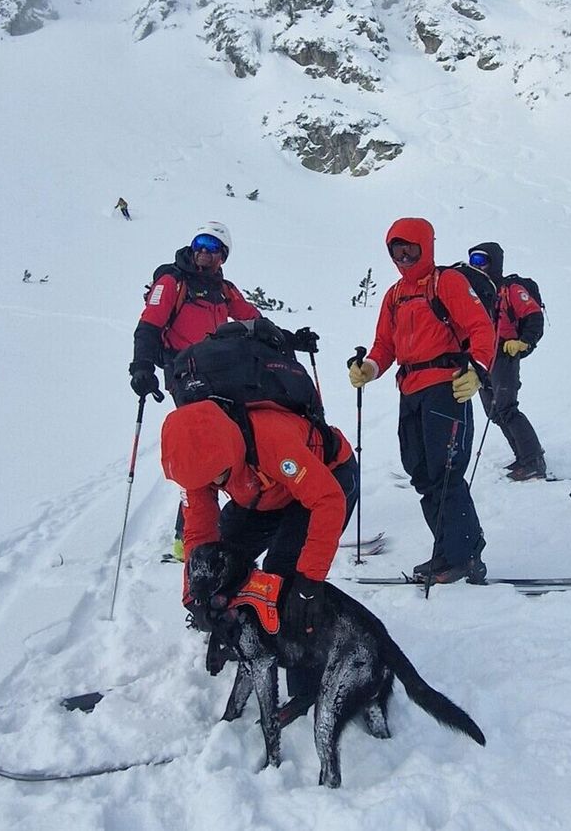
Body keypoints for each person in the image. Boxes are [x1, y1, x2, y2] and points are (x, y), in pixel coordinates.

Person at [162, 399, 358, 723]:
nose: (213, 485)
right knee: (224, 564)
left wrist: (309, 580)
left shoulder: (271, 438)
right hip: (262, 494)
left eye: (218, 476)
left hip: (326, 480)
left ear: (228, 450)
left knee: (284, 580)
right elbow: (200, 533)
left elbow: (327, 500)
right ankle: (241, 638)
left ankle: (306, 681)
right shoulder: (196, 462)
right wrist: (196, 592)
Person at [348, 217, 496, 583]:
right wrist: (369, 367)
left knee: (446, 473)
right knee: (421, 472)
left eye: (409, 249)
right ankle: (449, 550)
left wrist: (477, 369)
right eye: (396, 250)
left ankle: (463, 556)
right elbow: (385, 345)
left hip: (447, 387)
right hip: (410, 390)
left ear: (425, 247)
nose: (403, 256)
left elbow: (481, 327)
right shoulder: (395, 295)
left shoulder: (447, 282)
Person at [130, 221, 260, 559]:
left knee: (234, 440)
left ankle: (218, 525)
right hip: (183, 372)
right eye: (200, 243)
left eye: (213, 246)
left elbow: (251, 320)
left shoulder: (223, 289)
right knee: (202, 446)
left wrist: (287, 339)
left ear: (223, 256)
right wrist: (141, 367)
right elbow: (148, 326)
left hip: (217, 372)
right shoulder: (173, 281)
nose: (204, 250)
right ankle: (187, 537)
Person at [468, 242, 547, 481]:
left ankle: (533, 460)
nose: (476, 266)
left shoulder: (510, 289)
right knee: (494, 411)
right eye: (473, 261)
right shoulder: (476, 291)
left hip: (505, 354)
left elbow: (533, 316)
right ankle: (522, 456)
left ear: (494, 262)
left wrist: (524, 342)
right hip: (482, 356)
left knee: (506, 407)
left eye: (481, 261)